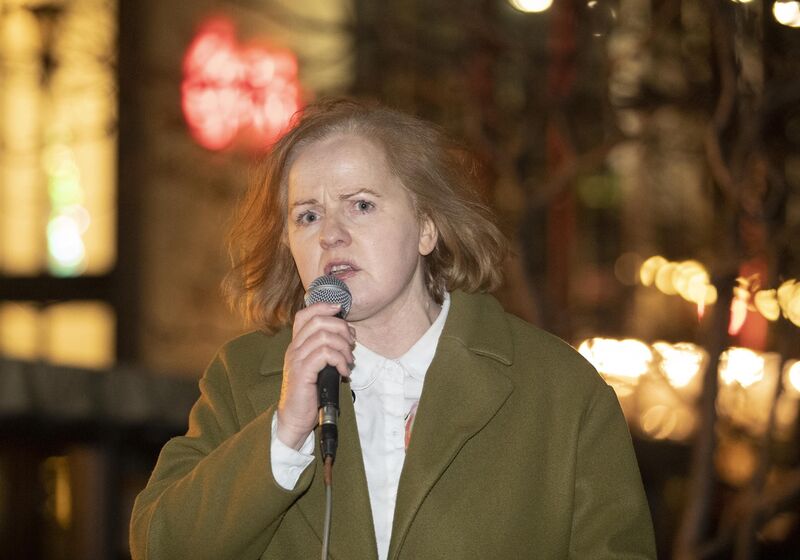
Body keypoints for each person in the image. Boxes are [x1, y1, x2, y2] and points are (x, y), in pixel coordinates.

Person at [130, 99, 656, 560]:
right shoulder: (244, 377)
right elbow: (160, 546)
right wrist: (284, 433)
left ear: (428, 227)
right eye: (307, 216)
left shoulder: (559, 390)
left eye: (361, 205)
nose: (332, 235)